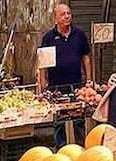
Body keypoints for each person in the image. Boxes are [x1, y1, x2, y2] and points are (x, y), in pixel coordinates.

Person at [39, 3, 92, 148]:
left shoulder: (79, 34)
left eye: (68, 13)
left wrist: (89, 79)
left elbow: (85, 57)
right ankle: (61, 148)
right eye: (63, 14)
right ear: (55, 17)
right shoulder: (48, 38)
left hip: (76, 84)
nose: (67, 16)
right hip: (56, 85)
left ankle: (80, 147)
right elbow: (43, 62)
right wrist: (43, 83)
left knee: (78, 117)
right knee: (59, 119)